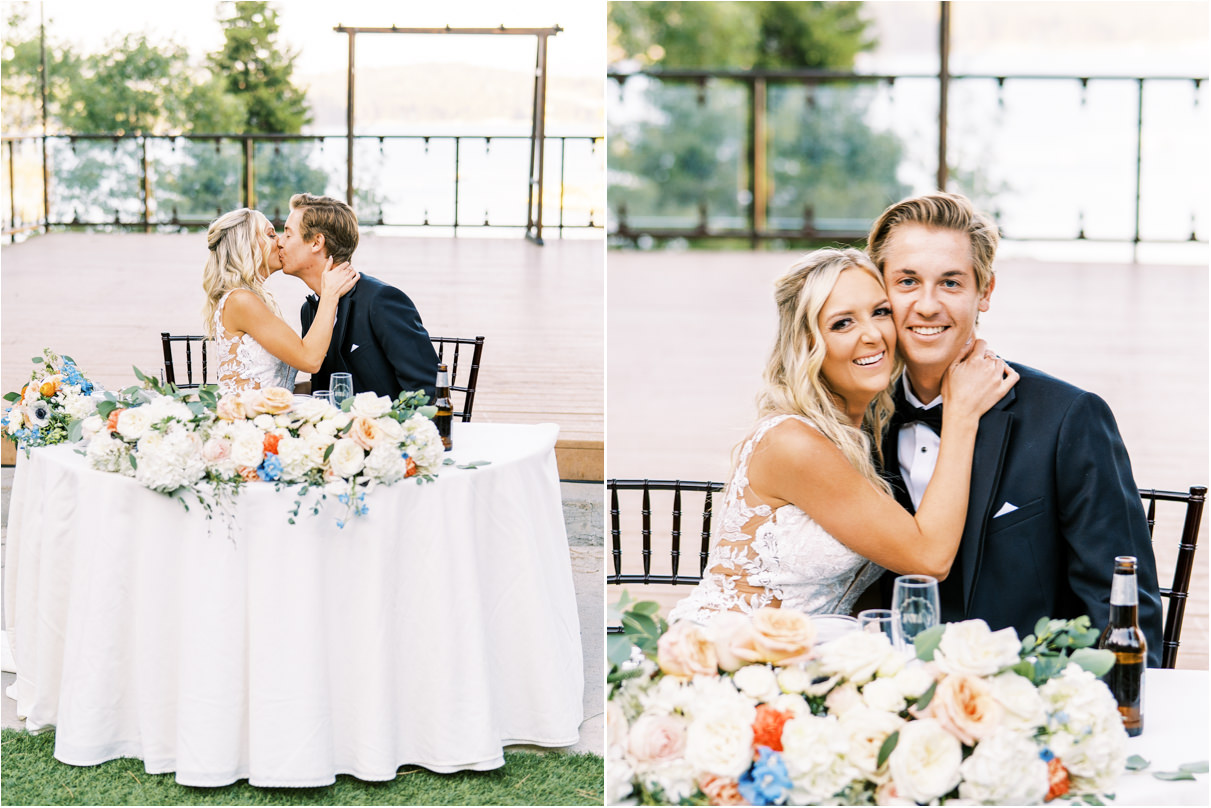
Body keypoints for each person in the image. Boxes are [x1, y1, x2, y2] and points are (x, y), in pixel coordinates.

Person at [867, 191, 1164, 666]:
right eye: (907, 281)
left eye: (950, 283)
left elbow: (1125, 614)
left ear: (984, 292)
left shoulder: (1068, 419)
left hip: (1023, 707)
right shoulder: (853, 420)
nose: (926, 305)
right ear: (880, 291)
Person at [668, 249, 1017, 625]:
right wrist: (961, 413)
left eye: (880, 312)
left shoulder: (860, 433)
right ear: (806, 344)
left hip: (806, 655)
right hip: (731, 653)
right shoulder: (794, 442)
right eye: (842, 324)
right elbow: (929, 559)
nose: (872, 335)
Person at [282, 193, 440, 401]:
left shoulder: (381, 300)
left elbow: (426, 390)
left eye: (287, 234)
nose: (279, 242)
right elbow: (323, 387)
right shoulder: (310, 309)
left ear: (316, 242)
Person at [202, 208, 359, 397]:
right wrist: (329, 294)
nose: (280, 242)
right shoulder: (240, 300)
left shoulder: (248, 299)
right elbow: (309, 359)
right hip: (247, 421)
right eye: (270, 235)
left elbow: (274, 388)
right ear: (247, 244)